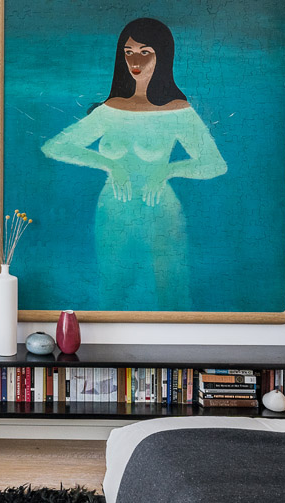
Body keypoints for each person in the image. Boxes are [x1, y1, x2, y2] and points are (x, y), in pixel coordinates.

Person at [41, 17, 227, 310]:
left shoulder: (177, 111)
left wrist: (168, 170)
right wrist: (109, 164)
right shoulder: (110, 110)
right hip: (113, 213)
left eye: (145, 52)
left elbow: (215, 164)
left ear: (162, 55)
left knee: (172, 293)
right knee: (112, 292)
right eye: (128, 52)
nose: (135, 61)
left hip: (162, 215)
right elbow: (55, 147)